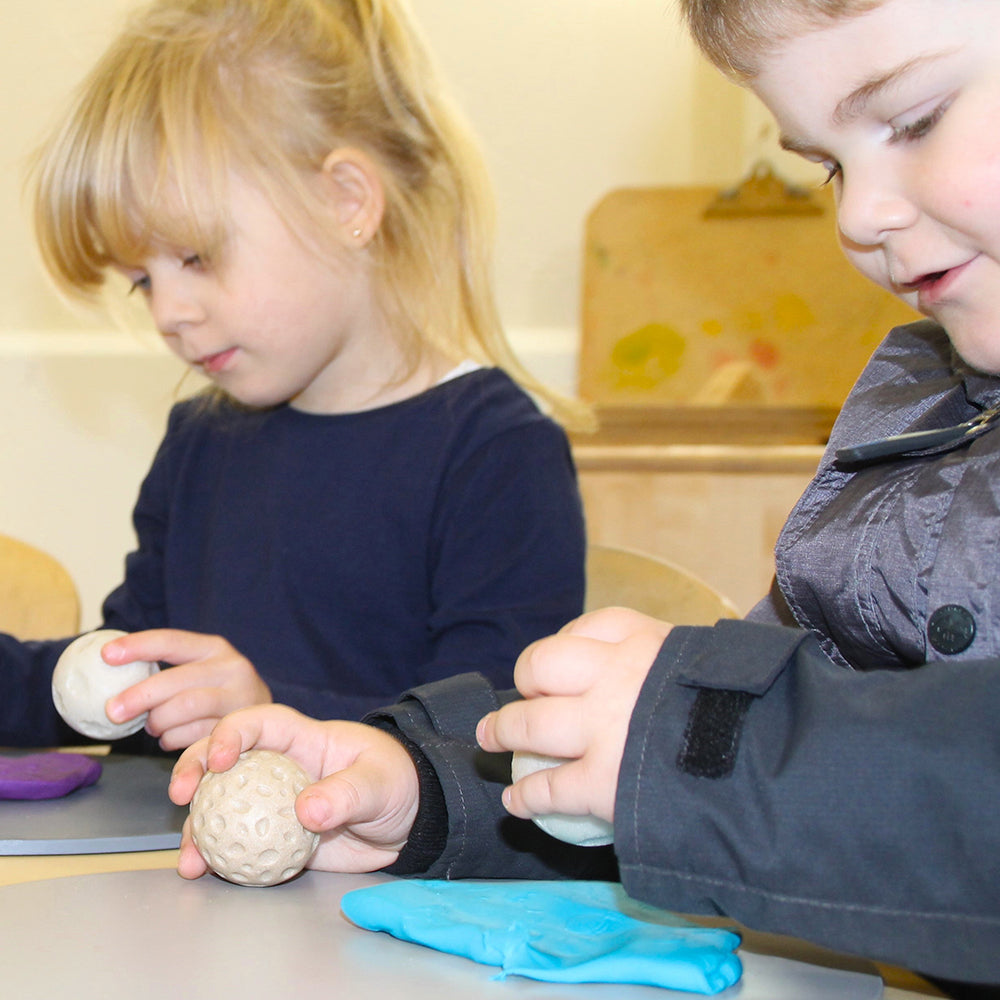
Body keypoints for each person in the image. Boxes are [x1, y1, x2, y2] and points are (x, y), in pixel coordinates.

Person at [170, 0, 1000, 992]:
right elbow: (766, 780)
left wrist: (694, 740)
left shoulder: (486, 441)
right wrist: (428, 788)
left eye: (914, 119)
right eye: (826, 164)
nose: (856, 214)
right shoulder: (918, 428)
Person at [2, 0, 588, 752]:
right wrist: (67, 681)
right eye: (142, 281)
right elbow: (134, 682)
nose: (170, 313)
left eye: (197, 256)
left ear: (347, 202)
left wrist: (270, 712)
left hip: (382, 872)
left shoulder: (495, 452)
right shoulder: (201, 443)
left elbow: (489, 745)